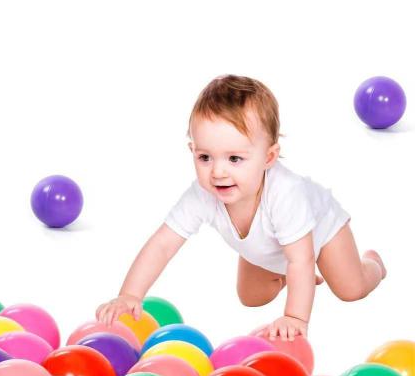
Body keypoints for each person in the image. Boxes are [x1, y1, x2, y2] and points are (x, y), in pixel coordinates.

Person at [96, 75, 386, 341]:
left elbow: (301, 258)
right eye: (205, 157)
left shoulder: (287, 194)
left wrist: (294, 317)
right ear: (192, 150)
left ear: (269, 157)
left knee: (351, 289)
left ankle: (373, 265)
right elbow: (162, 245)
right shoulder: (202, 194)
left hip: (320, 235)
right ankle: (299, 280)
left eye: (234, 159)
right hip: (273, 247)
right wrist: (130, 294)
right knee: (252, 297)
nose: (218, 172)